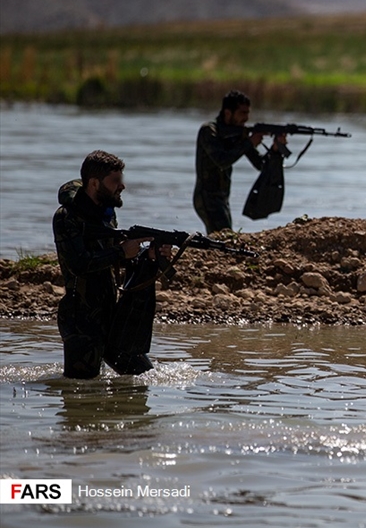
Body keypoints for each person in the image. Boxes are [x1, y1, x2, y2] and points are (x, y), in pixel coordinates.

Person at [53, 150, 172, 379]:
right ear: (95, 183)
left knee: (143, 377)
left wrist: (148, 255)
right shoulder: (67, 217)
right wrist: (120, 251)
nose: (122, 186)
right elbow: (79, 263)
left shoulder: (106, 214)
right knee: (80, 393)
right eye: (115, 181)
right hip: (82, 320)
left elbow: (116, 258)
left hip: (111, 313)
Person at [193, 89, 286, 234]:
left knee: (221, 239)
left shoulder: (239, 134)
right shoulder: (209, 131)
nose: (246, 118)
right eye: (242, 113)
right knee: (224, 238)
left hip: (222, 198)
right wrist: (249, 142)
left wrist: (275, 150)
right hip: (207, 198)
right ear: (228, 113)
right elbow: (222, 161)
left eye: (248, 113)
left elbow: (260, 164)